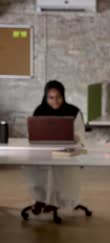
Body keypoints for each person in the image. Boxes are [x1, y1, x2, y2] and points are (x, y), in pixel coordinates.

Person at [23, 80, 86, 216]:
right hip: (43, 150)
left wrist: (71, 136)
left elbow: (81, 134)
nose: (55, 101)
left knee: (58, 168)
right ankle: (40, 199)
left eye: (58, 97)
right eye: (51, 98)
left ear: (63, 96)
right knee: (32, 167)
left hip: (66, 150)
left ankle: (55, 201)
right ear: (46, 97)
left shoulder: (73, 111)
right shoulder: (39, 110)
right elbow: (32, 133)